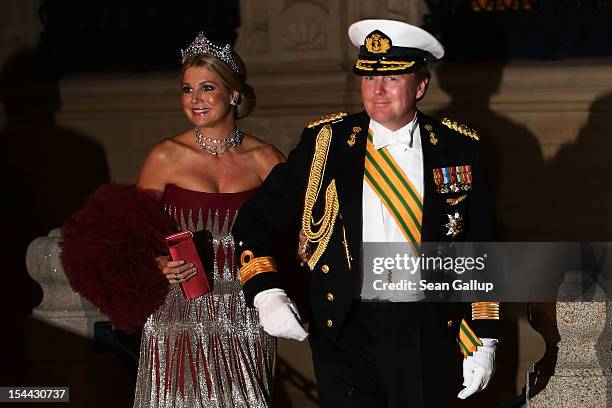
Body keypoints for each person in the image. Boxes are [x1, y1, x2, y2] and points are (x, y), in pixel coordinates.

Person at [232, 20, 500, 407]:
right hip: (346, 325)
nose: (377, 90)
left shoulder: (459, 148)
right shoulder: (327, 142)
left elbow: (481, 249)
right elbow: (256, 218)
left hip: (426, 326)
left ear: (420, 86)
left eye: (391, 78)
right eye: (368, 77)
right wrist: (266, 292)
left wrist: (486, 336)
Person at [132, 32, 285, 407]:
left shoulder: (267, 160)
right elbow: (134, 232)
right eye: (187, 89)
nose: (195, 99)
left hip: (245, 317)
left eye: (206, 88)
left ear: (233, 94)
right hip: (177, 314)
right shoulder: (165, 156)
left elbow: (296, 236)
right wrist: (159, 262)